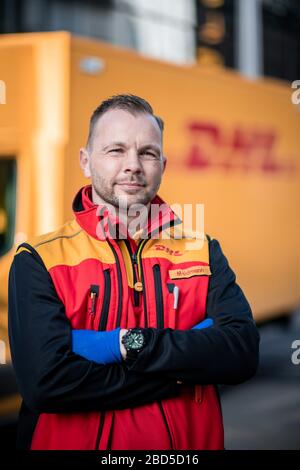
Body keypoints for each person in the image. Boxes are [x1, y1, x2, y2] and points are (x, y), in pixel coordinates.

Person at [8, 94, 259, 450]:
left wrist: (120, 344)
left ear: (163, 164)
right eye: (115, 150)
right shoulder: (40, 259)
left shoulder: (202, 249)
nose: (133, 165)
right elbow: (46, 385)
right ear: (85, 160)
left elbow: (241, 354)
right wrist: (187, 367)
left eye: (147, 152)